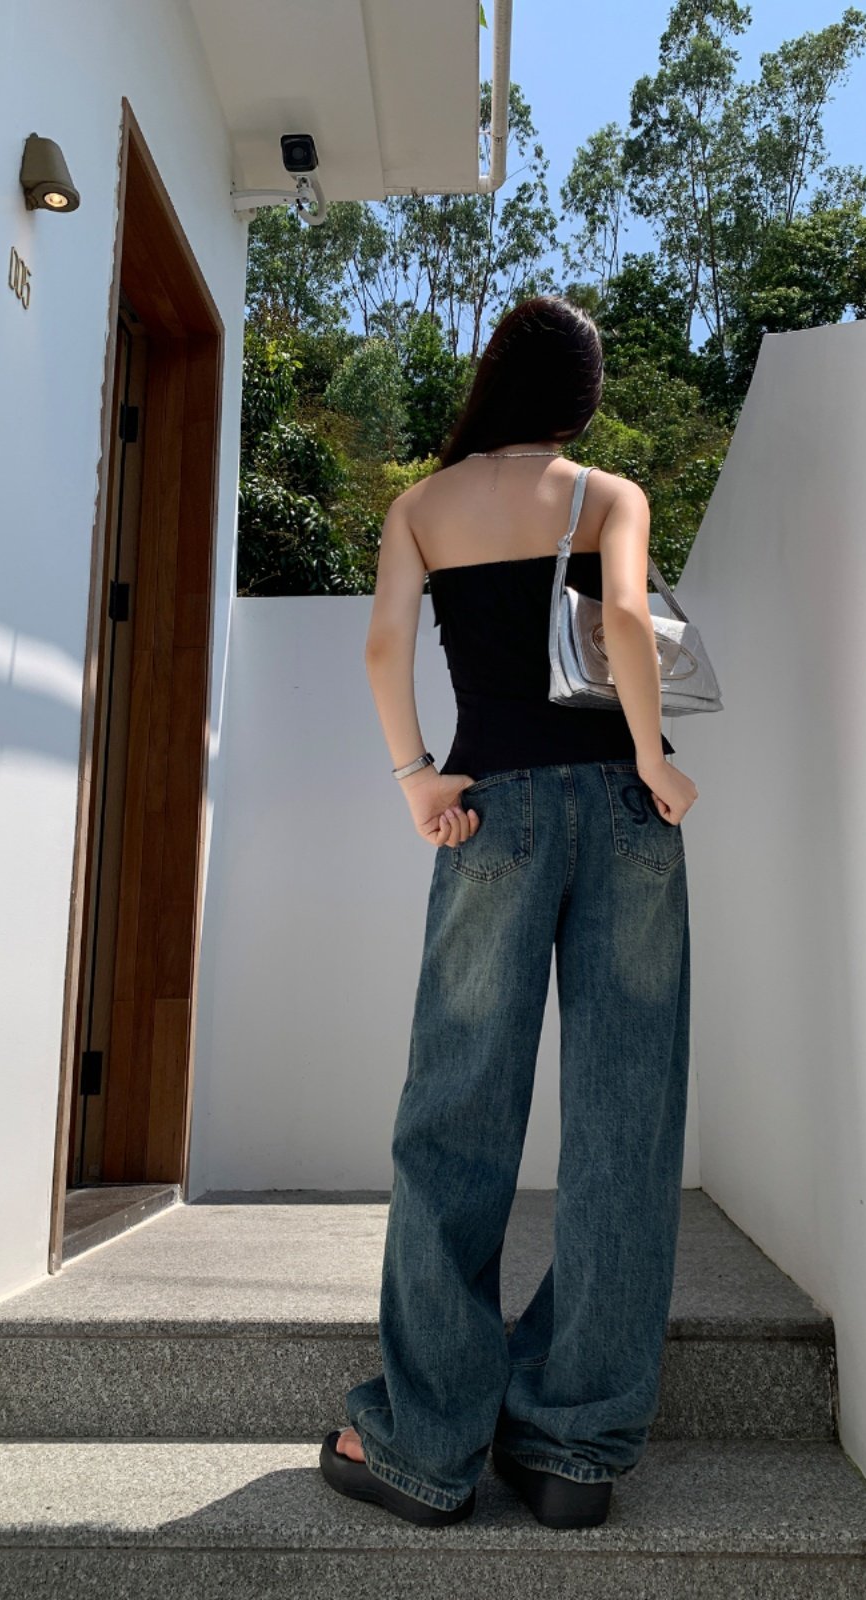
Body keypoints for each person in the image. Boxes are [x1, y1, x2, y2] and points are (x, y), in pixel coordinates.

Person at [319, 295, 697, 1531]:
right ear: (582, 397)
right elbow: (626, 620)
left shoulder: (421, 507)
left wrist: (415, 777)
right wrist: (650, 757)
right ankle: (574, 1451)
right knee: (625, 1121)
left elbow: (383, 650)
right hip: (626, 817)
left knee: (455, 1117)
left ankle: (424, 1446)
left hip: (490, 815)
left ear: (494, 380)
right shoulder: (610, 495)